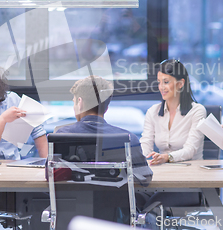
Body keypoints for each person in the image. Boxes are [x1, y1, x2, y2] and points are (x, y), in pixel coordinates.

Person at [56, 75, 153, 222]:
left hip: (71, 219)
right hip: (114, 220)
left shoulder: (61, 136)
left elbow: (50, 175)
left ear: (80, 103)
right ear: (106, 107)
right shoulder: (127, 139)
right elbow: (145, 178)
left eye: (74, 102)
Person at [139, 59, 206, 209]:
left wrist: (167, 157)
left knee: (152, 207)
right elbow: (145, 144)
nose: (161, 87)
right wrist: (140, 158)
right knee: (131, 200)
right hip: (159, 181)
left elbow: (190, 150)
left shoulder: (197, 111)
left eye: (166, 82)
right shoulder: (153, 112)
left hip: (188, 183)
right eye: (159, 82)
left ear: (180, 84)